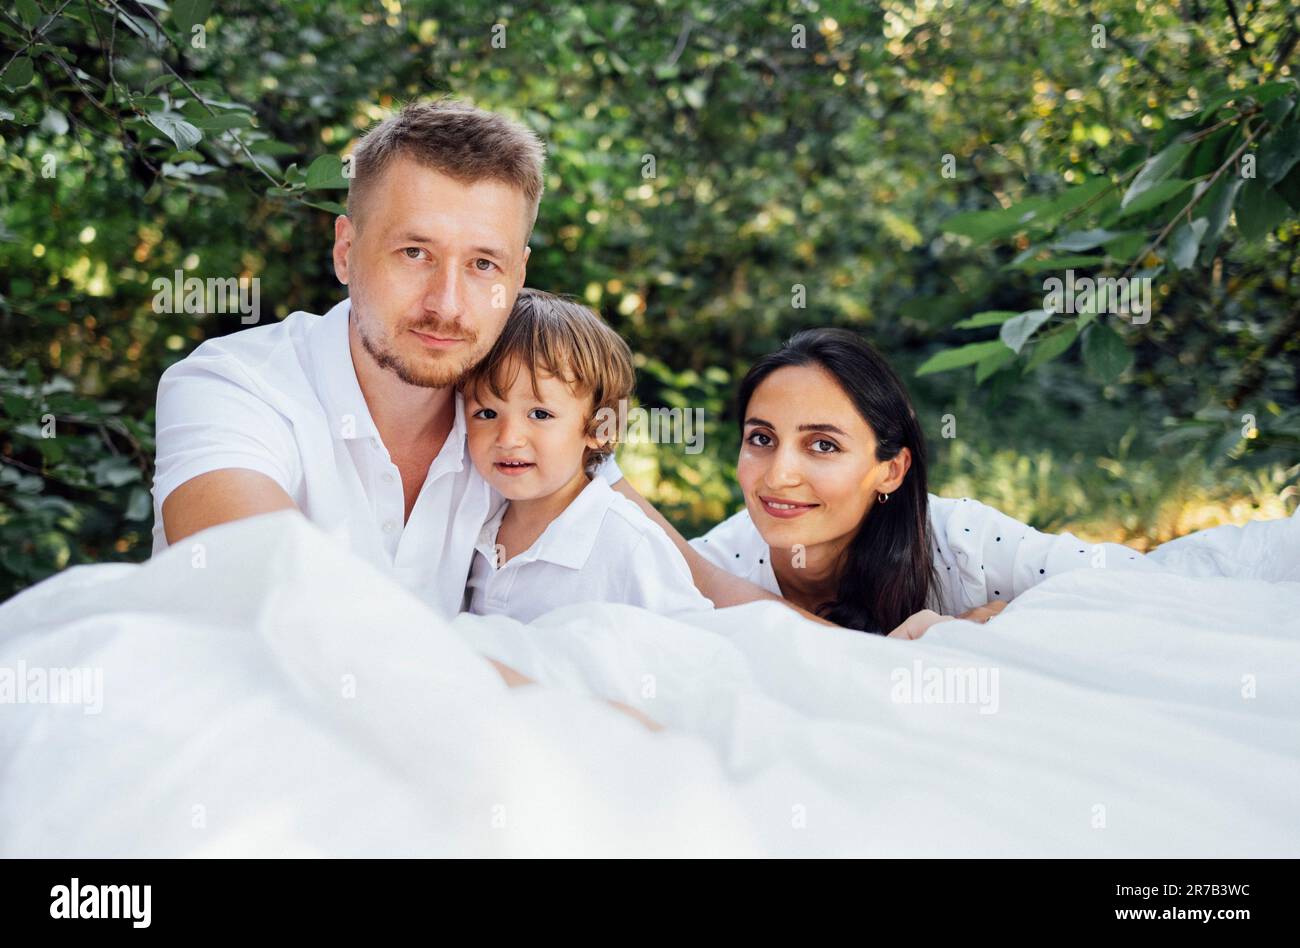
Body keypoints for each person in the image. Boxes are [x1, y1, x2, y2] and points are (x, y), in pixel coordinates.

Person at [689, 328, 1162, 634]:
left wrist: (991, 628)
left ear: (890, 470)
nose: (779, 474)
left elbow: (1133, 584)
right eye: (761, 438)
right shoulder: (712, 568)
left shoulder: (960, 541)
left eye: (823, 445)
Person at [462, 288, 711, 621]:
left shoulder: (628, 541)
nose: (508, 438)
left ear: (599, 427)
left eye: (539, 414)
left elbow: (692, 644)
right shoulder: (477, 523)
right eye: (487, 414)